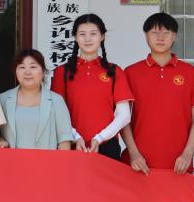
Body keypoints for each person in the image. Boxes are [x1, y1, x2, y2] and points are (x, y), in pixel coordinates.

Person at [121, 12, 194, 173]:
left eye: (166, 33)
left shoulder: (190, 73)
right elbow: (122, 118)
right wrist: (133, 153)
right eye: (155, 32)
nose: (160, 38)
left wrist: (188, 153)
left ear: (174, 36)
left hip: (179, 164)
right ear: (146, 36)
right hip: (139, 164)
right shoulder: (131, 73)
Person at [50, 14, 134, 161]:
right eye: (82, 34)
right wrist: (76, 137)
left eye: (93, 34)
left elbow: (124, 115)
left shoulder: (115, 71)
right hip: (71, 144)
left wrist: (99, 138)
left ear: (102, 37)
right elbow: (56, 112)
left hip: (107, 145)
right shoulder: (62, 72)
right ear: (75, 37)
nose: (88, 39)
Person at [0, 48, 74, 150]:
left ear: (43, 71)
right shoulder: (3, 99)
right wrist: (1, 140)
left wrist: (61, 160)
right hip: (11, 159)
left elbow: (64, 139)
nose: (27, 72)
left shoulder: (56, 101)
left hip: (46, 160)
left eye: (33, 67)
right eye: (22, 67)